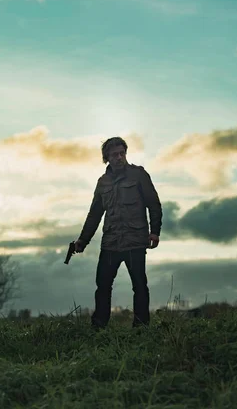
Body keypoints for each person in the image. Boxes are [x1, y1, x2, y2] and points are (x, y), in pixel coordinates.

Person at [74, 136, 162, 330]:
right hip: (110, 243)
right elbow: (94, 214)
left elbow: (153, 204)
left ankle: (141, 328)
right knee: (102, 287)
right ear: (107, 158)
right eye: (115, 154)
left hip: (136, 241)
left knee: (139, 286)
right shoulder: (102, 182)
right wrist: (83, 240)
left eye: (122, 153)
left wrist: (155, 232)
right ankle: (98, 327)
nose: (119, 157)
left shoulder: (139, 175)